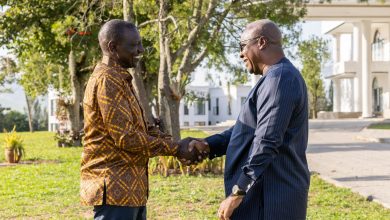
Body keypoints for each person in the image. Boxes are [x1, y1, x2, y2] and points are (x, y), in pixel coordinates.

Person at [80, 19, 208, 220]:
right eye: (134, 45)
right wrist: (176, 149)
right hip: (115, 189)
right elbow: (127, 137)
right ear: (113, 48)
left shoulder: (119, 79)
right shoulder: (107, 81)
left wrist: (177, 144)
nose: (140, 50)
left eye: (140, 44)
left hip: (130, 190)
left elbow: (142, 128)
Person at [190, 19, 310, 220]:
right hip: (263, 197)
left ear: (261, 42)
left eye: (242, 46)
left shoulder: (280, 79)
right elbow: (245, 130)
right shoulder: (272, 79)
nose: (240, 53)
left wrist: (238, 192)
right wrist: (207, 145)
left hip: (273, 199)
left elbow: (267, 140)